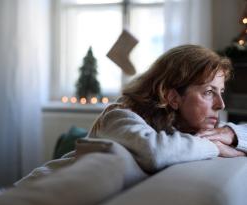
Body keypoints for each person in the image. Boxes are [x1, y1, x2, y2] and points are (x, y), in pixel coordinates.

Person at [88, 44, 247, 173]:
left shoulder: (187, 127)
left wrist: (231, 134)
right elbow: (154, 152)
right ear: (172, 98)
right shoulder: (117, 117)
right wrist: (215, 146)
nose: (221, 104)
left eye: (221, 92)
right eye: (209, 92)